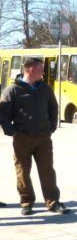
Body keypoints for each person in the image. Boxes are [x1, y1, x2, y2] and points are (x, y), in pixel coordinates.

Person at [0, 57, 68, 216]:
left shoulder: (45, 88)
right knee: (22, 172)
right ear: (30, 69)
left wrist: (51, 126)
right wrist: (10, 131)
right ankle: (26, 202)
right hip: (22, 138)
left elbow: (53, 108)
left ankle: (53, 202)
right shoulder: (13, 90)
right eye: (41, 69)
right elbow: (2, 114)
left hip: (43, 138)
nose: (43, 72)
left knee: (47, 171)